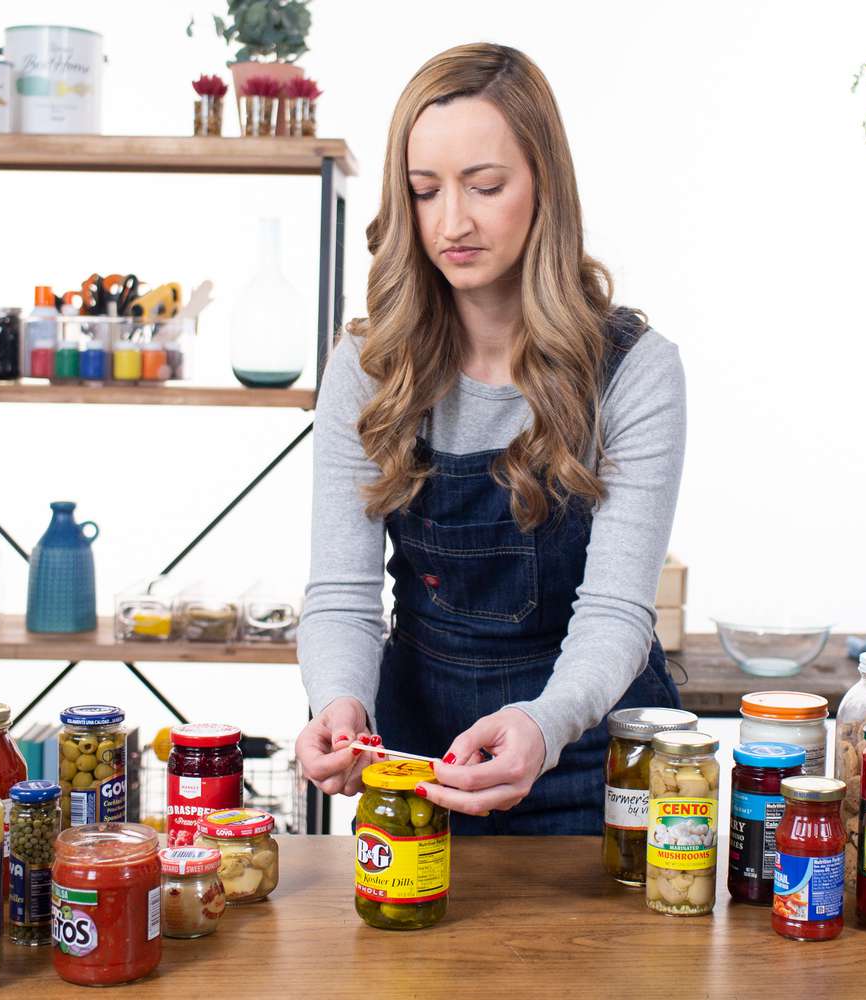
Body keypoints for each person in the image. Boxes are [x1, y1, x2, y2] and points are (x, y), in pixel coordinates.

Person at [294, 42, 687, 835]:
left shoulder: (633, 371)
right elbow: (341, 592)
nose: (453, 222)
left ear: (545, 186)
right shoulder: (367, 368)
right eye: (425, 191)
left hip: (599, 765)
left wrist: (543, 726)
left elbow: (616, 611)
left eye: (485, 186)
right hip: (417, 761)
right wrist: (340, 703)